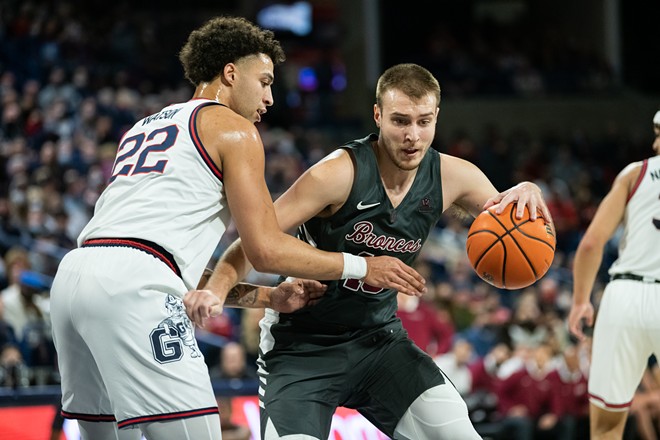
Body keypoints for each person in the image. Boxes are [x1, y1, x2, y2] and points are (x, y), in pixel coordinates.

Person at [49, 16, 426, 440]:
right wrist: (361, 267)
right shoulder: (235, 130)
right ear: (231, 73)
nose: (269, 97)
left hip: (73, 280)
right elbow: (264, 249)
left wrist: (268, 297)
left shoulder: (145, 125)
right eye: (264, 81)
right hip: (132, 285)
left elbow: (148, 257)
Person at [189, 63, 553, 439]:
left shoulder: (453, 174)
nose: (413, 135)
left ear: (437, 118)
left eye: (423, 121)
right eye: (400, 121)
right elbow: (253, 242)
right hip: (302, 348)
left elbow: (518, 231)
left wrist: (529, 189)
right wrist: (215, 291)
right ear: (377, 116)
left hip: (379, 343)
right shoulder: (337, 173)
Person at [568, 109, 660, 439]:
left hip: (625, 296)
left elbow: (592, 242)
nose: (654, 142)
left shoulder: (635, 174)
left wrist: (581, 300)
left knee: (607, 423)